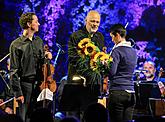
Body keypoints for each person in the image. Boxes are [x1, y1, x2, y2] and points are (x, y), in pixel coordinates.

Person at [9, 12, 52, 122]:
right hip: (25, 86)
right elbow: (13, 70)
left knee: (37, 117)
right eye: (36, 21)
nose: (39, 24)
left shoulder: (39, 41)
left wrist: (47, 57)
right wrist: (18, 93)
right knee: (23, 118)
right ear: (29, 24)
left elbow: (41, 62)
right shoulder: (16, 45)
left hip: (39, 85)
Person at [63, 10, 104, 119]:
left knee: (91, 115)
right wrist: (87, 70)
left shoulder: (100, 37)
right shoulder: (76, 36)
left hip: (92, 85)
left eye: (97, 22)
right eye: (92, 21)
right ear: (86, 21)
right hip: (76, 83)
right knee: (74, 115)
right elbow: (73, 58)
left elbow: (101, 56)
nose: (95, 24)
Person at [107, 24, 137, 122]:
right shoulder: (133, 51)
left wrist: (105, 65)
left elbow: (112, 73)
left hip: (118, 92)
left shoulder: (116, 51)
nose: (112, 40)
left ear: (118, 35)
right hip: (131, 93)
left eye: (112, 37)